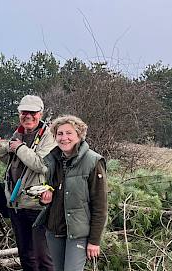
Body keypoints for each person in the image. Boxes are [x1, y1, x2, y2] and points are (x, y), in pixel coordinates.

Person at [0, 95, 56, 271]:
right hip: (17, 203)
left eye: (32, 112)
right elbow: (10, 160)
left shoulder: (49, 136)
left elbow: (42, 165)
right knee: (26, 256)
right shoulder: (18, 133)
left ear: (40, 114)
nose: (28, 116)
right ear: (19, 113)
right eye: (24, 112)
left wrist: (18, 147)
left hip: (37, 206)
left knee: (43, 258)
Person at [35, 115, 107, 271]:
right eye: (60, 134)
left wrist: (94, 241)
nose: (64, 138)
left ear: (79, 135)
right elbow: (50, 190)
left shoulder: (93, 161)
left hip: (78, 234)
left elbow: (100, 206)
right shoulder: (52, 159)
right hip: (54, 230)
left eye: (69, 133)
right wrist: (44, 199)